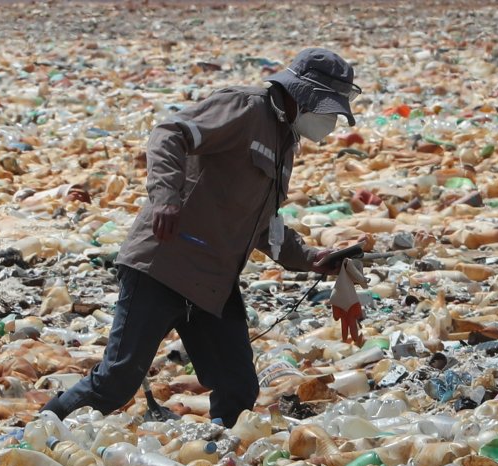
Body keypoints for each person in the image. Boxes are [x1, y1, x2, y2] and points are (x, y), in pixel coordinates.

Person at [41, 48, 360, 426]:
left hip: (213, 283)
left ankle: (221, 458)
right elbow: (169, 134)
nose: (330, 120)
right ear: (303, 95)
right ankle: (43, 427)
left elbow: (263, 225)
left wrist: (310, 258)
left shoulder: (285, 142)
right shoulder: (244, 108)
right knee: (117, 379)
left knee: (238, 386)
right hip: (163, 265)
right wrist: (165, 198)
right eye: (328, 109)